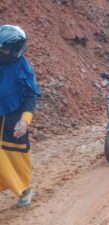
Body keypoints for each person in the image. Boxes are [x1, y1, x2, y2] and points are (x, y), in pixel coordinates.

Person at [0, 25, 41, 207]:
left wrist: (25, 121)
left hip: (14, 120)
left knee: (16, 156)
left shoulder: (22, 68)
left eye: (6, 49)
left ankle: (25, 188)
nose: (2, 52)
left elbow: (31, 97)